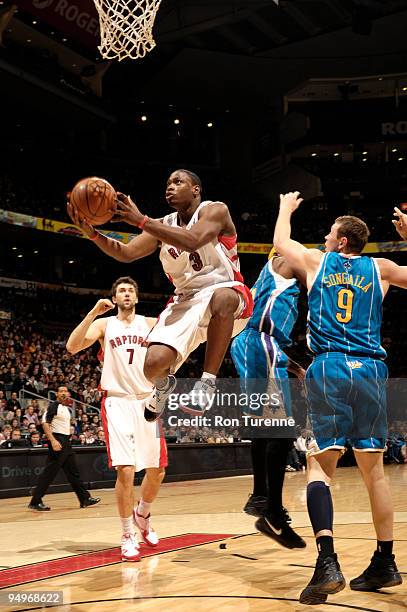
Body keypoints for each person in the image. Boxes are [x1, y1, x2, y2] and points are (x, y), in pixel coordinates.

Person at [273, 192, 406, 605]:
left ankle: (327, 561)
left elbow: (282, 243)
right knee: (375, 473)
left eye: (330, 234)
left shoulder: (318, 261)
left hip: (330, 367)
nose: (326, 239)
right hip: (371, 369)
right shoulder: (381, 269)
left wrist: (285, 210)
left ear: (342, 241)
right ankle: (385, 560)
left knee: (320, 467)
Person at [67, 169, 253, 420]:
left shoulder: (215, 210)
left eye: (178, 182)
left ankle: (207, 384)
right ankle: (164, 387)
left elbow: (193, 239)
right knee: (152, 365)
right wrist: (91, 232)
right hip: (185, 300)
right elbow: (126, 253)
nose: (170, 187)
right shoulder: (162, 225)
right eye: (168, 183)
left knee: (222, 296)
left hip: (228, 294)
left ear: (196, 189)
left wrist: (141, 220)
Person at [66, 277, 166, 563]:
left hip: (148, 399)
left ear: (136, 297)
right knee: (126, 470)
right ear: (114, 297)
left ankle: (142, 515)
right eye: (121, 290)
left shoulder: (150, 324)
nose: (126, 293)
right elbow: (72, 347)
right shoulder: (105, 325)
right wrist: (93, 313)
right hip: (118, 401)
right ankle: (127, 534)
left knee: (157, 470)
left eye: (130, 290)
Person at [230, 250, 306, 549]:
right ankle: (271, 511)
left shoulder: (272, 279)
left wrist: (296, 367)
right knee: (282, 430)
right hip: (260, 342)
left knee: (266, 425)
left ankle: (260, 497)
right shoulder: (287, 259)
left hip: (257, 345)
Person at [28, 386, 100, 512]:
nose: (63, 393)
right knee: (49, 473)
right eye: (60, 391)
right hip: (58, 441)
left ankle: (84, 499)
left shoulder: (66, 409)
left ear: (68, 394)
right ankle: (35, 501)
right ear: (57, 394)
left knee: (73, 473)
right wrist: (53, 440)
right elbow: (45, 423)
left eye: (65, 391)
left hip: (66, 442)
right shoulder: (53, 406)